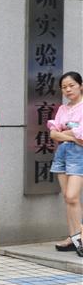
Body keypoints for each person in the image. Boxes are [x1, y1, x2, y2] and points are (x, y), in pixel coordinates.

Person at [47, 71, 83, 255]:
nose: (68, 89)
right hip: (62, 153)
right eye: (64, 87)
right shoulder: (62, 108)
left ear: (81, 86)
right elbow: (53, 133)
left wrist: (64, 133)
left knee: (72, 197)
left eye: (71, 85)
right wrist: (71, 135)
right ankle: (73, 237)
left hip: (78, 154)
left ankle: (80, 237)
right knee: (67, 199)